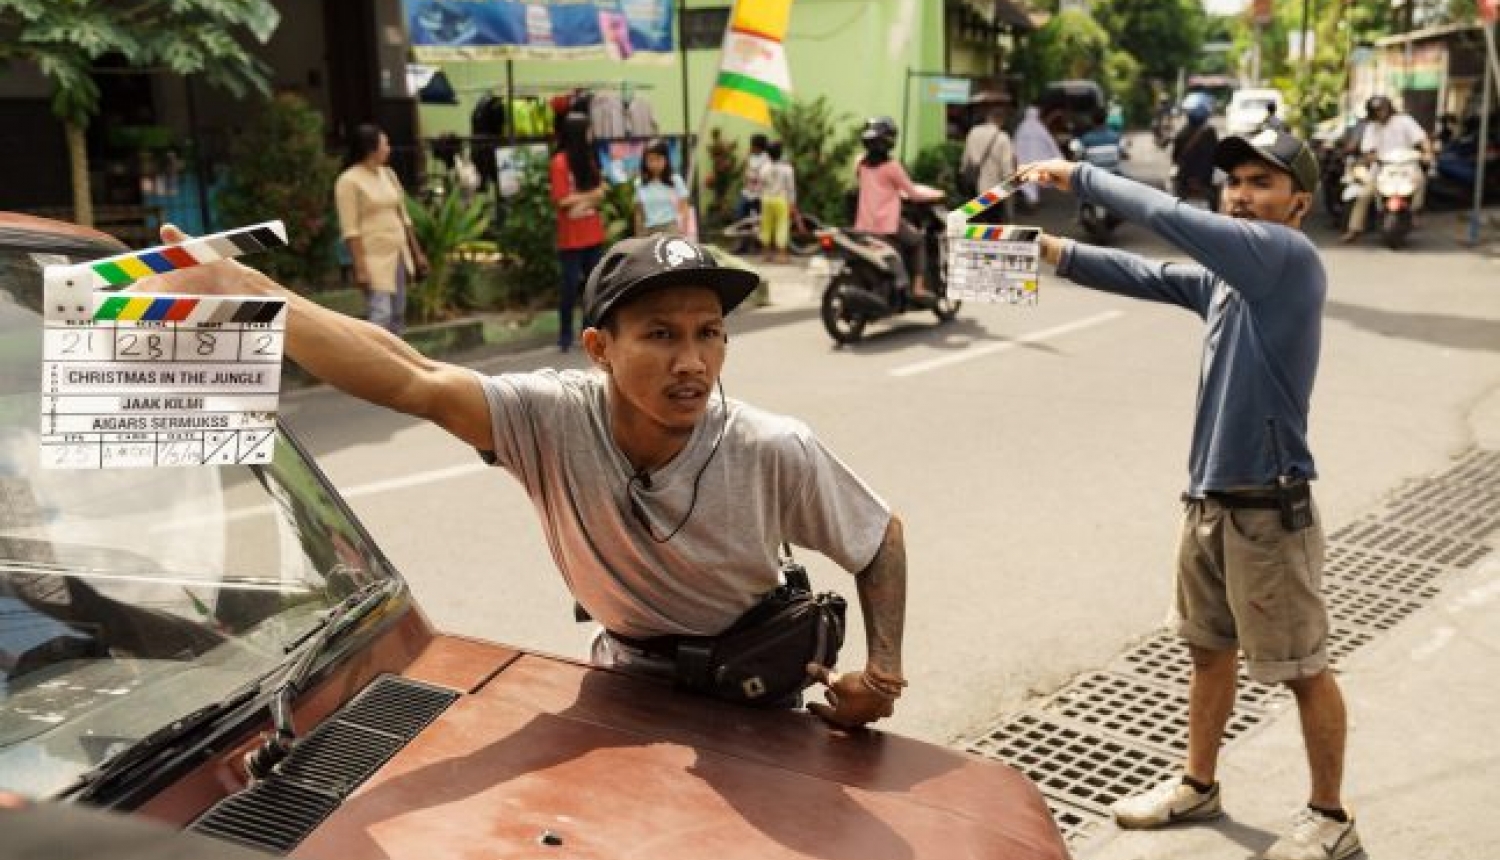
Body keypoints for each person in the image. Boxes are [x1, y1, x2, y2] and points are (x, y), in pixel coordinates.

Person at [136, 228, 909, 731]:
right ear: (600, 347)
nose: (693, 362)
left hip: (757, 695)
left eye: (710, 334)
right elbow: (411, 377)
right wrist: (248, 295)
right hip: (624, 684)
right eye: (662, 335)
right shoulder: (549, 418)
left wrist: (881, 674)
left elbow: (880, 539)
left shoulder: (773, 446)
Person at [1020, 128, 1360, 860]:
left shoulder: (1287, 258)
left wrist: (1079, 175)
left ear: (1299, 204)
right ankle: (1198, 785)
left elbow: (1172, 221)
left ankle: (1331, 819)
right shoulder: (1229, 280)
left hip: (1270, 509)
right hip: (1207, 501)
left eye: (1261, 183)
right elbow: (1143, 274)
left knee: (1302, 669)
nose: (1241, 193)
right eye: (1235, 179)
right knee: (1208, 653)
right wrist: (1042, 250)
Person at [333, 124, 428, 336]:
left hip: (398, 253)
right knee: (381, 313)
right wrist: (360, 267)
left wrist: (417, 252)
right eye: (385, 144)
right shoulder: (348, 181)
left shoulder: (389, 175)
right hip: (373, 257)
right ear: (370, 149)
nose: (389, 149)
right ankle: (373, 363)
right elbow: (350, 229)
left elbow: (403, 216)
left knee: (398, 313)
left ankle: (396, 363)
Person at [853, 116, 943, 301]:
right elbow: (914, 194)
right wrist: (938, 195)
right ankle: (918, 288)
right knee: (918, 241)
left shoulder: (860, 164)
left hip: (863, 225)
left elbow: (877, 186)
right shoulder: (892, 167)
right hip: (887, 224)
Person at [550, 112, 607, 352]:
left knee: (593, 286)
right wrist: (589, 198)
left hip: (593, 233)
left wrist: (581, 202)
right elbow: (562, 201)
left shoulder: (588, 159)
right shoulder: (560, 162)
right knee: (570, 286)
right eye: (587, 130)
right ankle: (564, 336)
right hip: (571, 238)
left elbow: (602, 192)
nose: (590, 135)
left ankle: (588, 334)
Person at [1341, 95, 1434, 243]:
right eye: (1376, 110)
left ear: (1389, 108)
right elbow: (1367, 150)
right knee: (1364, 195)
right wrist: (1371, 157)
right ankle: (1354, 229)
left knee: (1420, 182)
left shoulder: (1404, 121)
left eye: (1382, 109)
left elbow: (1422, 139)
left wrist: (1427, 153)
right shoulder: (1372, 127)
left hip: (1407, 167)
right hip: (1382, 169)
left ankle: (1415, 211)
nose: (1380, 113)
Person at [632, 138, 690, 237]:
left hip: (670, 228)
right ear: (645, 161)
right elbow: (639, 213)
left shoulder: (675, 180)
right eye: (650, 160)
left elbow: (684, 209)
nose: (654, 164)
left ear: (666, 159)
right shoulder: (639, 183)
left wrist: (684, 233)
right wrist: (638, 237)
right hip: (648, 231)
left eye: (658, 159)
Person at [960, 101, 1017, 203]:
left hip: (974, 186)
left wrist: (964, 175)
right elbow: (1006, 166)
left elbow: (965, 159)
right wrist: (1010, 189)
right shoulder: (1003, 137)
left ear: (988, 118)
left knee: (975, 215)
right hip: (993, 191)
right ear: (1001, 120)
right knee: (993, 218)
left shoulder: (973, 131)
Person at [1171, 99, 1221, 209]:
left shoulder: (1181, 133)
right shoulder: (1210, 132)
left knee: (1175, 206)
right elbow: (1215, 157)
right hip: (1204, 182)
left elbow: (1175, 157)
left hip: (1184, 181)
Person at [1014, 106, 1064, 208]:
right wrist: (1059, 156)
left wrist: (1014, 156)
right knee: (1032, 178)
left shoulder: (1021, 127)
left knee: (1025, 179)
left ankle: (1031, 200)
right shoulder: (1040, 128)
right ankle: (1032, 200)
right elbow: (1050, 143)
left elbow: (1015, 143)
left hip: (1023, 157)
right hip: (1036, 158)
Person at [757, 141, 797, 263]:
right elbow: (790, 188)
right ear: (780, 153)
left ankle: (765, 254)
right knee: (782, 225)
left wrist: (761, 197)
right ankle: (781, 256)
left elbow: (761, 185)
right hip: (781, 199)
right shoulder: (787, 168)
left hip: (766, 199)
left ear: (768, 154)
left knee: (766, 225)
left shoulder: (764, 168)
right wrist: (792, 203)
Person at [737, 133, 769, 222]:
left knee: (757, 217)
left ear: (759, 147)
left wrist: (752, 176)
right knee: (739, 213)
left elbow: (762, 175)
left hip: (759, 193)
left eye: (753, 145)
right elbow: (746, 168)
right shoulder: (751, 155)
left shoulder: (766, 158)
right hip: (747, 191)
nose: (751, 147)